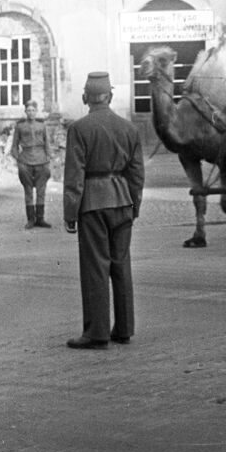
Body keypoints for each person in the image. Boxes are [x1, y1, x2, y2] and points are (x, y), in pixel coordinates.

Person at [63, 72, 144, 350]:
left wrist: (70, 213)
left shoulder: (79, 128)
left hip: (93, 202)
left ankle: (96, 332)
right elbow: (137, 174)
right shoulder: (129, 128)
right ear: (110, 96)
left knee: (96, 267)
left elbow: (74, 176)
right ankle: (124, 329)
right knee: (121, 264)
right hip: (122, 200)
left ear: (86, 97)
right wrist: (135, 205)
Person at [11, 99, 52, 230]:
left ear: (36, 111)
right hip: (26, 160)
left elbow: (47, 144)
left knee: (41, 190)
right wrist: (19, 160)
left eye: (33, 110)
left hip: (41, 160)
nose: (31, 112)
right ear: (25, 111)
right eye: (28, 110)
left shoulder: (42, 126)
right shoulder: (20, 126)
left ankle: (40, 219)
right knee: (28, 191)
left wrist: (47, 158)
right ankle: (30, 220)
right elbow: (14, 146)